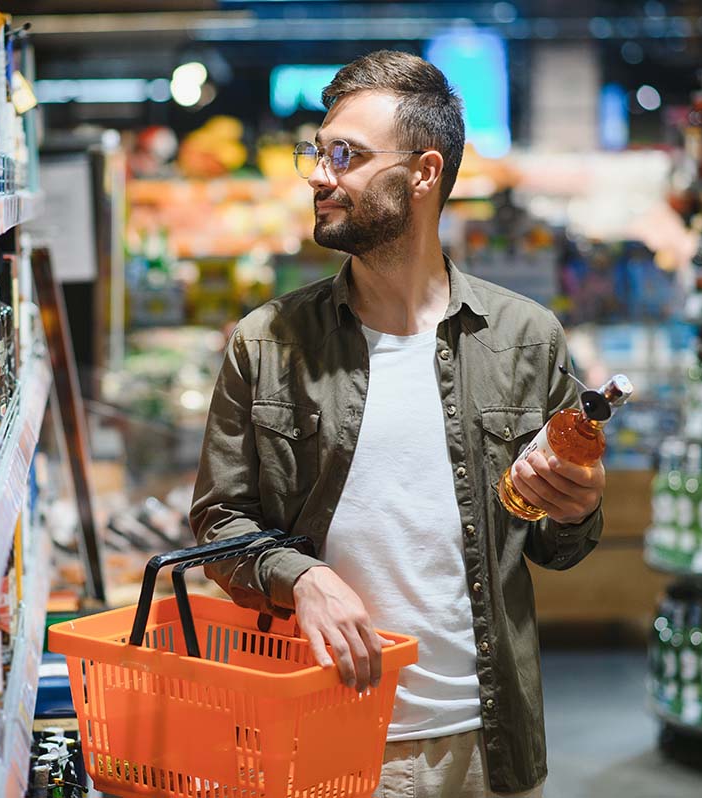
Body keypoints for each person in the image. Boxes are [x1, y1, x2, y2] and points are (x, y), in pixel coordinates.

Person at [190, 50, 605, 798]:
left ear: (423, 174)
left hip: (490, 743)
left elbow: (555, 546)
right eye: (317, 154)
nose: (320, 175)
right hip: (325, 732)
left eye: (345, 156)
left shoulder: (525, 338)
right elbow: (220, 523)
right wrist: (301, 578)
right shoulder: (267, 341)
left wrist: (576, 506)